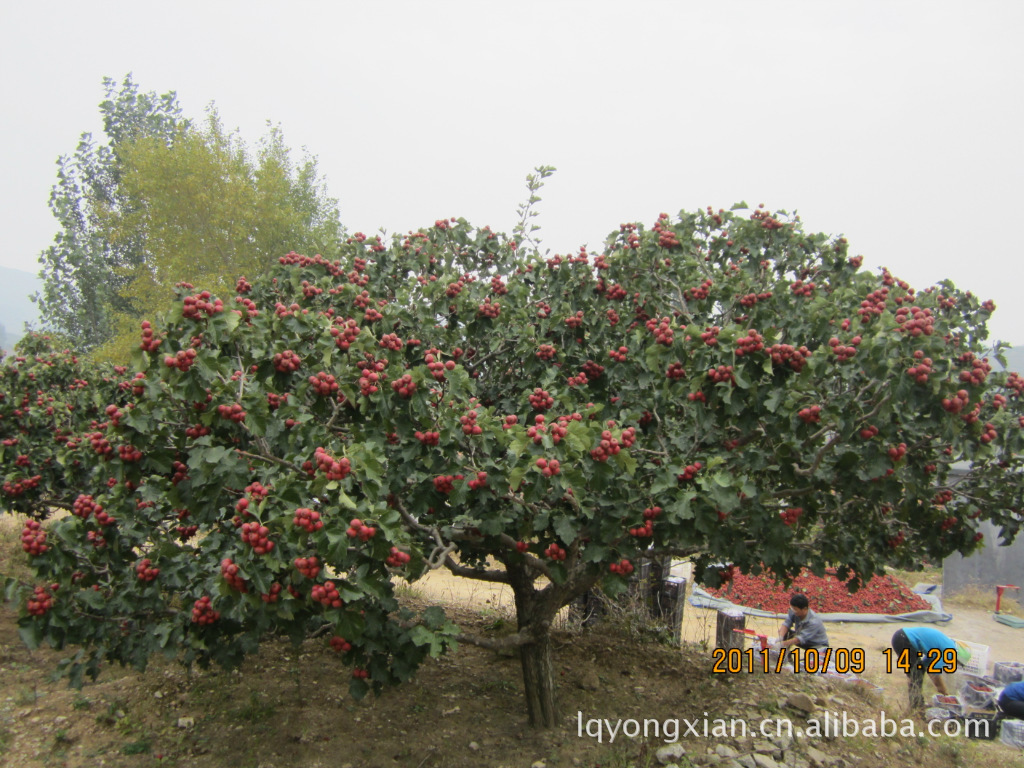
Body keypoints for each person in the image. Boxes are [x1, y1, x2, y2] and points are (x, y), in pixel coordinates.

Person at [889, 627, 964, 710]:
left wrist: (939, 686)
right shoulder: (951, 651)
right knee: (916, 675)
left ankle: (917, 705)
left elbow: (926, 667)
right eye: (958, 662)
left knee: (918, 672)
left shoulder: (944, 646)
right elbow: (934, 672)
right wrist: (944, 690)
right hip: (904, 640)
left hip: (901, 636)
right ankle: (916, 708)